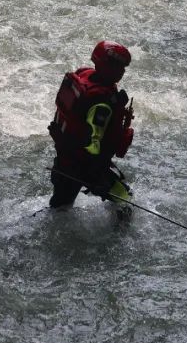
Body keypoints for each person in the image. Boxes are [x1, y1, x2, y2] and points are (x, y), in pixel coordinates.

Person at [47, 40, 135, 213]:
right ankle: (118, 239)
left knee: (58, 210)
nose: (123, 71)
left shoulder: (85, 74)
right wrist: (96, 176)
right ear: (107, 66)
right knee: (126, 200)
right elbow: (92, 145)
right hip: (83, 166)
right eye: (119, 66)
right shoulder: (102, 103)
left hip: (66, 161)